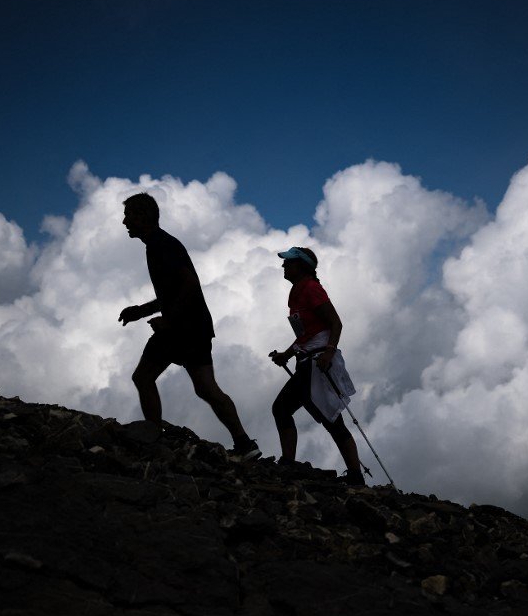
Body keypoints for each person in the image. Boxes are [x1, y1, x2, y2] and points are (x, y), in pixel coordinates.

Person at [118, 192, 260, 461]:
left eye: (128, 216)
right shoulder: (158, 244)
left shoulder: (162, 244)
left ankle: (153, 437)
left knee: (143, 377)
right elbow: (173, 292)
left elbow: (190, 285)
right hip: (195, 327)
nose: (124, 222)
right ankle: (244, 443)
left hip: (181, 328)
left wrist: (169, 321)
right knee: (206, 388)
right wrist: (141, 311)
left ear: (142, 216)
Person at [269, 247, 365, 485]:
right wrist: (287, 354)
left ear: (301, 266)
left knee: (289, 410)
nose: (284, 266)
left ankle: (292, 464)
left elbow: (335, 323)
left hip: (318, 363)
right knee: (321, 417)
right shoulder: (298, 292)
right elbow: (306, 334)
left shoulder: (311, 289)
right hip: (309, 361)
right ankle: (353, 475)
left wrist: (329, 352)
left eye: (288, 263)